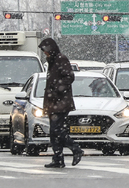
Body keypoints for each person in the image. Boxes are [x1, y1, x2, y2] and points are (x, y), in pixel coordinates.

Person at [38, 38, 83, 168]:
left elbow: (69, 77)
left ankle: (75, 148)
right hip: (54, 102)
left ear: (51, 49)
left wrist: (57, 89)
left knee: (57, 130)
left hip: (61, 102)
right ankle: (58, 158)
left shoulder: (60, 59)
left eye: (45, 51)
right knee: (54, 132)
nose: (45, 53)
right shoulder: (52, 61)